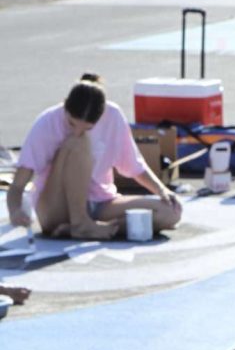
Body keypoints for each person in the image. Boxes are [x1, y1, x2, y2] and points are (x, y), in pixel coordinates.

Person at [6, 74, 182, 240]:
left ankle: (86, 229)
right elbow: (17, 186)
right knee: (78, 143)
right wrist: (15, 210)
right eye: (71, 123)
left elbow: (135, 167)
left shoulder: (113, 116)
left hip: (100, 203)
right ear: (65, 105)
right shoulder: (47, 122)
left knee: (170, 213)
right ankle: (81, 224)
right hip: (57, 209)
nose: (76, 131)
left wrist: (162, 190)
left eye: (87, 128)